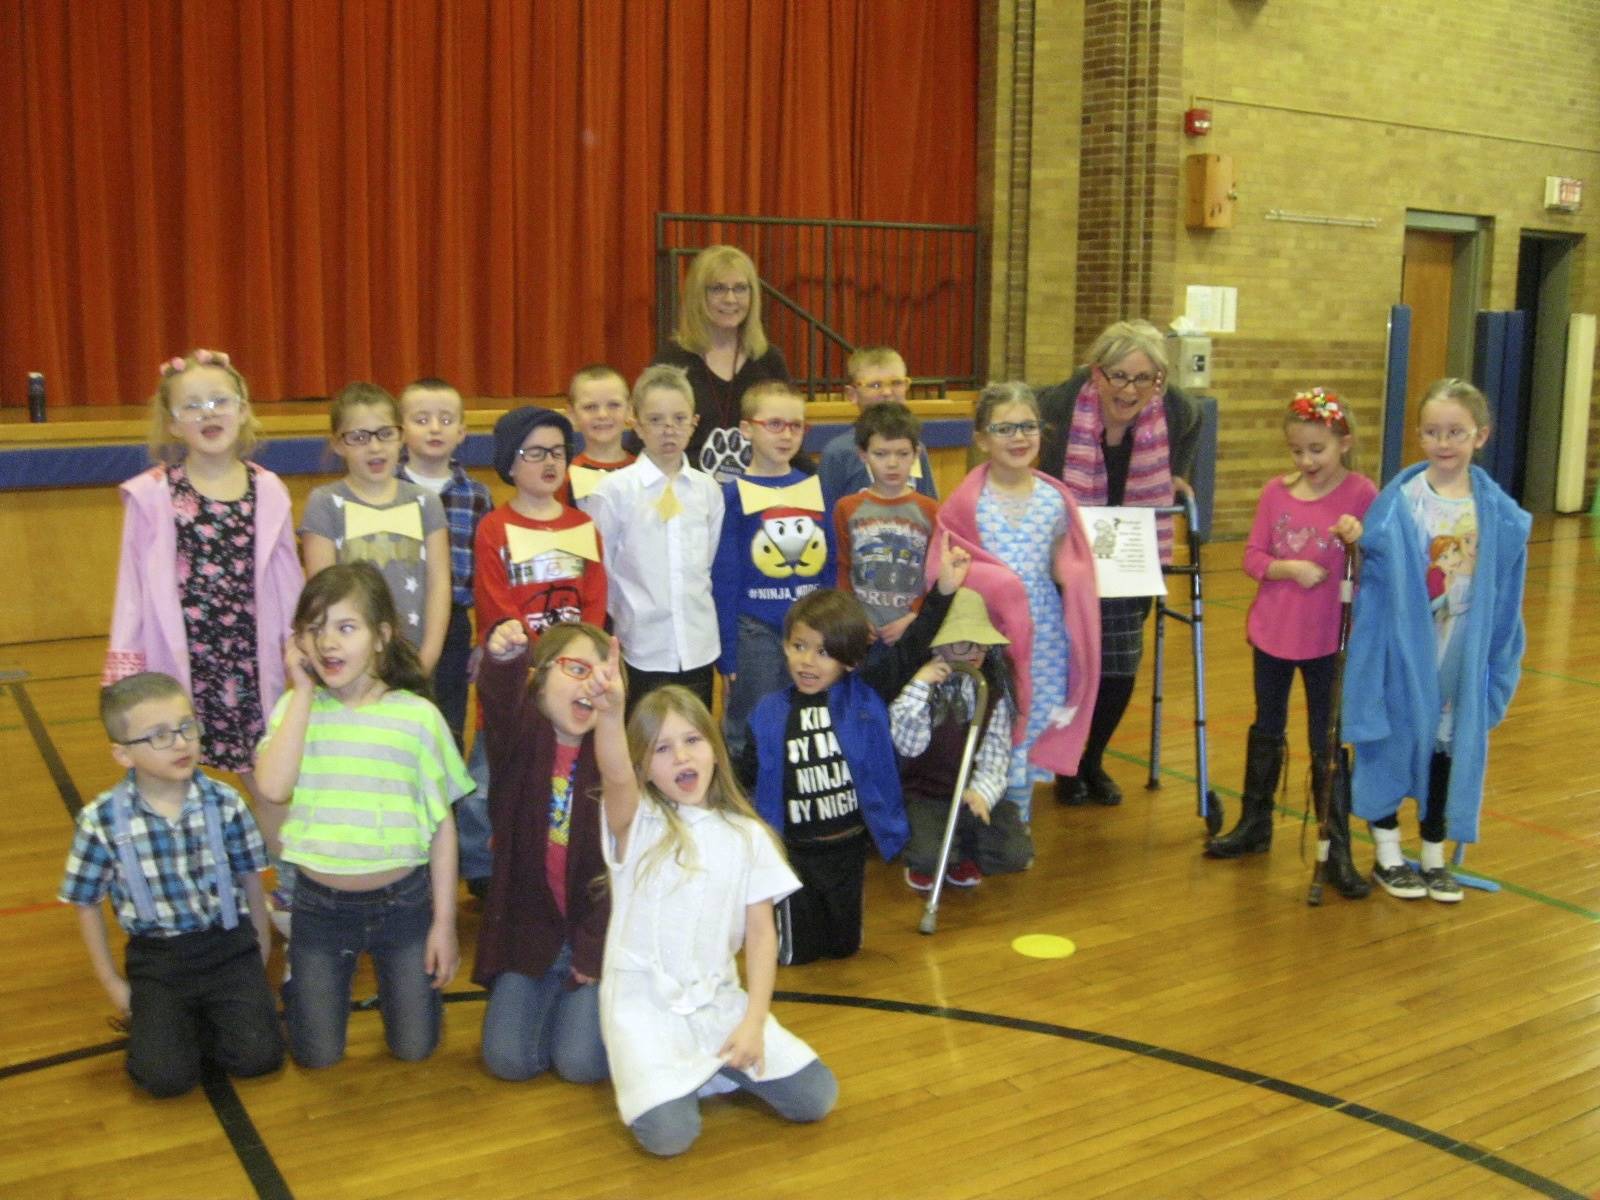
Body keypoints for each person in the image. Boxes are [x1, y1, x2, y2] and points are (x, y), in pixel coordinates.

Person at [589, 671, 837, 1157]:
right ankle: (661, 1068)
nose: (681, 756)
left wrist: (753, 1021)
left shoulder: (747, 835)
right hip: (645, 1009)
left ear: (714, 748)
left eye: (692, 740)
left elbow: (762, 937)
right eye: (661, 749)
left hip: (719, 1003)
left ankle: (714, 1065)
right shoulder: (638, 825)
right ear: (644, 768)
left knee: (816, 1097)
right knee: (671, 1138)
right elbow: (614, 772)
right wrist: (611, 712)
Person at [254, 563, 472, 1068]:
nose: (328, 642)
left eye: (345, 627)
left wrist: (444, 923)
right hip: (319, 908)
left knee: (416, 1048)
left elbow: (442, 830)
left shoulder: (416, 717)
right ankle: (303, 980)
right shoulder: (295, 708)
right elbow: (271, 786)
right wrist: (304, 693)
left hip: (403, 906)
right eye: (315, 628)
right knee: (317, 1055)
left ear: (381, 637)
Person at [736, 536, 970, 965]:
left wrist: (943, 592)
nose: (808, 661)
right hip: (795, 853)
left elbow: (912, 648)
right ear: (784, 645)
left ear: (849, 660)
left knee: (844, 948)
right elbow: (746, 776)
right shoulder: (768, 713)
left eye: (824, 652)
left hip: (847, 848)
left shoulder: (864, 697)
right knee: (797, 956)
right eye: (799, 646)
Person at [1342, 379, 1530, 902]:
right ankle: (1386, 852)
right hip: (1402, 653)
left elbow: (1507, 601)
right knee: (1389, 742)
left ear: (1480, 436)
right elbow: (1376, 583)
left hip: (1458, 655)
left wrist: (1497, 666)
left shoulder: (1501, 517)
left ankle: (1431, 854)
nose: (1443, 443)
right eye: (1431, 432)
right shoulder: (1401, 501)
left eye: (1455, 432)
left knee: (1445, 750)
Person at [60, 672, 282, 1098]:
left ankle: (199, 1016)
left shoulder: (226, 802)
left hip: (229, 948)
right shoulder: (101, 821)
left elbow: (251, 881)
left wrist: (261, 949)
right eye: (158, 736)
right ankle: (168, 1021)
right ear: (122, 754)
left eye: (186, 727)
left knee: (259, 1059)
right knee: (165, 1079)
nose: (181, 742)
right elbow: (85, 904)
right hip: (159, 960)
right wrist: (112, 982)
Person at [104, 349, 302, 810]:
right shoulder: (152, 494)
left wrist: (298, 648)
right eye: (191, 406)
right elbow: (131, 591)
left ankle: (289, 882)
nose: (208, 414)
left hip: (249, 664)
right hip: (181, 662)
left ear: (243, 410)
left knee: (271, 783)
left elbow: (289, 579)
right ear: (173, 424)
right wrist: (125, 669)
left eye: (219, 401)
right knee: (173, 779)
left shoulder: (268, 489)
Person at [1203, 390, 1377, 901]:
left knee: (1327, 738)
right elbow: (1253, 556)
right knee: (1267, 725)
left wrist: (1357, 541)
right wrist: (1288, 568)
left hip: (1328, 640)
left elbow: (1375, 566)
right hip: (1273, 634)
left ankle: (1337, 846)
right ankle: (1255, 823)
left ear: (1343, 443)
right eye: (1297, 451)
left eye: (1317, 450)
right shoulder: (1276, 494)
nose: (1307, 461)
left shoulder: (1362, 493)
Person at [1037, 320, 1202, 806]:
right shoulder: (1057, 407)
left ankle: (1092, 758)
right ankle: (1065, 763)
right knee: (1074, 661)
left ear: (1159, 380)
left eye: (1144, 378)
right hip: (1068, 548)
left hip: (1130, 550)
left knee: (1120, 665)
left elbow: (1193, 430)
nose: (1129, 389)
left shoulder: (1176, 410)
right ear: (1097, 373)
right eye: (1118, 376)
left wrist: (1174, 474)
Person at [930, 382, 1100, 835]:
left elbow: (1070, 561)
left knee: (1032, 715)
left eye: (1028, 426)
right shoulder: (966, 502)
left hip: (1043, 634)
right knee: (992, 721)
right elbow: (942, 567)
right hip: (988, 637)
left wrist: (1075, 574)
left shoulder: (1055, 500)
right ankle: (977, 817)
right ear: (982, 438)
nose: (1019, 437)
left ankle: (1016, 820)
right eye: (1005, 428)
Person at [461, 406, 609, 897]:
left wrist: (577, 662)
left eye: (558, 452)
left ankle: (562, 854)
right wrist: (538, 665)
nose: (549, 462)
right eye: (535, 453)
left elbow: (594, 598)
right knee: (489, 777)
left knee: (566, 770)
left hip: (572, 676)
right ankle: (484, 866)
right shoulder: (494, 527)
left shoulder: (582, 524)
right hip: (519, 678)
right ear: (510, 462)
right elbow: (495, 601)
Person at [472, 618, 612, 1085]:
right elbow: (498, 697)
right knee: (508, 1061)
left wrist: (591, 954)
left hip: (595, 940)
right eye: (575, 668)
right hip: (532, 939)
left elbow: (620, 876)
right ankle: (560, 1002)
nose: (589, 682)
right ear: (539, 679)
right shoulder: (521, 741)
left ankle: (585, 1006)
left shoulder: (615, 756)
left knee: (580, 1065)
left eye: (601, 674)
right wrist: (505, 658)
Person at [580, 364, 725, 713]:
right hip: (641, 647)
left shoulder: (708, 490)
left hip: (698, 646)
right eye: (656, 420)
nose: (669, 429)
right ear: (637, 423)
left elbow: (707, 560)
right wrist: (629, 617)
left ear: (694, 422)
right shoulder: (614, 491)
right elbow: (604, 568)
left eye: (679, 418)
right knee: (643, 742)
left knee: (694, 735)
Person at [712, 380, 835, 760]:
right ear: (747, 429)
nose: (787, 435)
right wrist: (728, 654)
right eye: (775, 425)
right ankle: (743, 798)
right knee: (749, 724)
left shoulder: (813, 489)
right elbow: (725, 579)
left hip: (809, 631)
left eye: (796, 426)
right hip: (755, 632)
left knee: (803, 722)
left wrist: (828, 628)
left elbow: (828, 565)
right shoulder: (733, 495)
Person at [300, 381, 452, 674]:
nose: (374, 447)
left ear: (401, 436)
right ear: (337, 443)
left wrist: (426, 660)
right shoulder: (325, 503)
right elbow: (322, 591)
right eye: (358, 437)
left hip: (411, 661)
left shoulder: (426, 502)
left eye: (385, 434)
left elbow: (439, 585)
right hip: (349, 665)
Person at [891, 588, 1028, 891]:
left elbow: (996, 754)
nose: (977, 651)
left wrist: (982, 793)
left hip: (966, 795)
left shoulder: (991, 691)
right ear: (940, 647)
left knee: (1014, 854)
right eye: (965, 643)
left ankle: (959, 850)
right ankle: (939, 852)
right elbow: (908, 746)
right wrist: (919, 686)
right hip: (924, 795)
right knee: (928, 857)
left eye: (980, 642)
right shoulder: (918, 686)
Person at [396, 377, 492, 751]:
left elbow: (487, 575)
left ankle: (445, 805)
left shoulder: (476, 495)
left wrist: (483, 638)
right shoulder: (388, 487)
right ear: (401, 431)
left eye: (446, 419)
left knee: (446, 726)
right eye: (422, 420)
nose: (435, 428)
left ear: (463, 431)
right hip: (396, 620)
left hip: (453, 625)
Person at [653, 244, 791, 481]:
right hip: (686, 488)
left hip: (758, 488)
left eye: (740, 288)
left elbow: (789, 429)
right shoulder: (671, 362)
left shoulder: (769, 360)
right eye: (718, 289)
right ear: (698, 295)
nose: (730, 299)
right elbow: (648, 437)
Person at [833, 401, 941, 660]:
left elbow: (933, 575)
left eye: (902, 454)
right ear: (863, 455)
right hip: (863, 632)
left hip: (911, 631)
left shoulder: (931, 510)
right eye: (881, 454)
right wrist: (853, 617)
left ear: (916, 454)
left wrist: (914, 616)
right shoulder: (847, 508)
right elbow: (842, 568)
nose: (892, 464)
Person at [818, 346, 939, 509]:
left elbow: (930, 508)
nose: (887, 392)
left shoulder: (915, 448)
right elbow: (826, 515)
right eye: (875, 385)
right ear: (852, 394)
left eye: (896, 383)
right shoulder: (838, 452)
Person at [565, 365, 636, 505]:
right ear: (572, 414)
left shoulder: (646, 470)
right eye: (590, 407)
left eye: (614, 405)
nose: (602, 414)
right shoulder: (565, 478)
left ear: (629, 410)